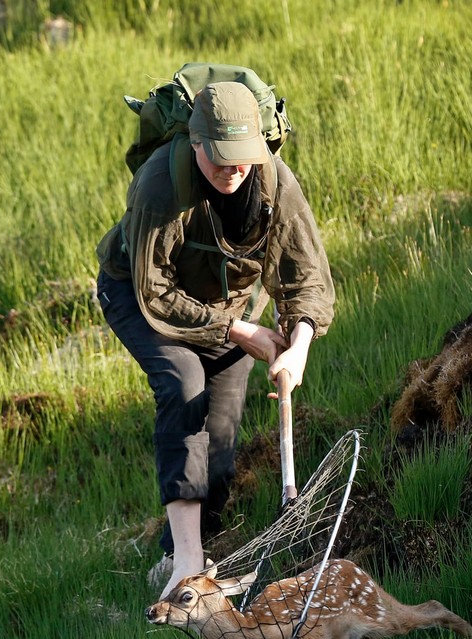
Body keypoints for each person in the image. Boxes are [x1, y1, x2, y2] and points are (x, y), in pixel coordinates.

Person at [96, 80, 335, 598]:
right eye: (221, 157)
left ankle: (175, 552)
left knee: (221, 447)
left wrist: (297, 348)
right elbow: (155, 290)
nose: (233, 169)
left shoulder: (276, 184)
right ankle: (186, 564)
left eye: (244, 157)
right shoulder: (162, 183)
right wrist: (238, 330)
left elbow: (307, 277)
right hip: (140, 296)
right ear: (197, 143)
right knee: (184, 388)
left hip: (230, 309)